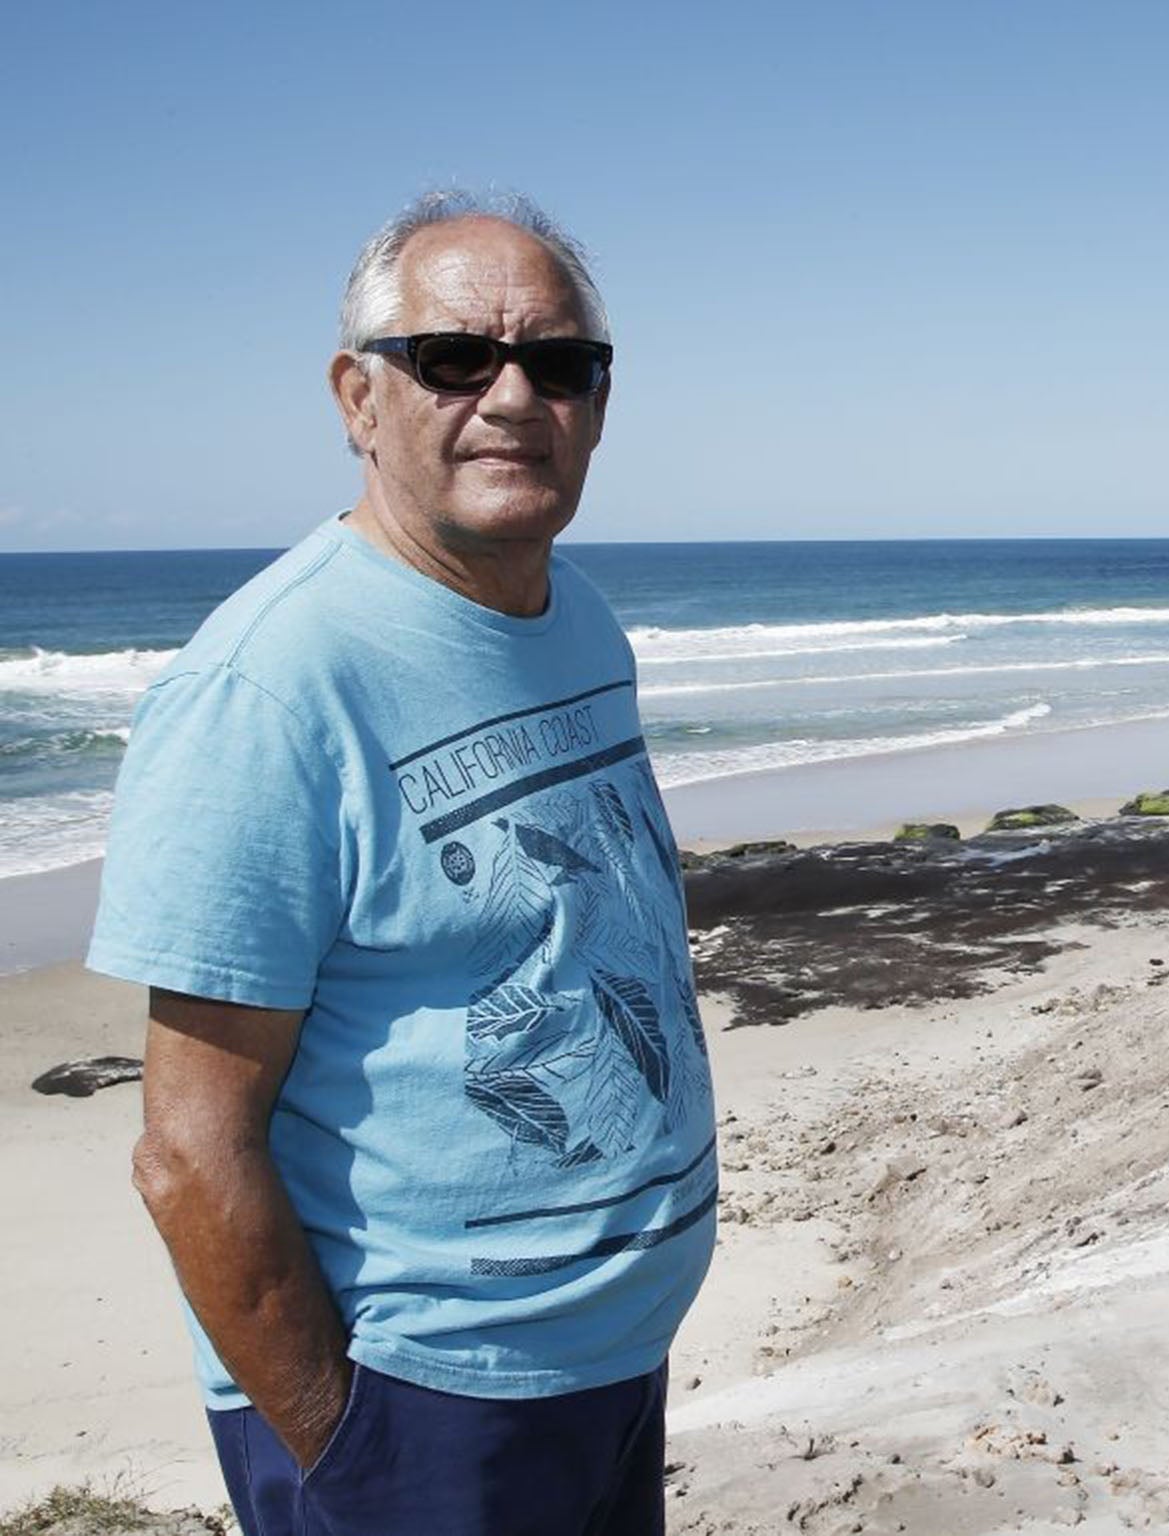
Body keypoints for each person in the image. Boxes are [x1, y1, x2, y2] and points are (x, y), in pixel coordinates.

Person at [87, 190, 717, 1536]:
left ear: (600, 400)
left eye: (560, 362)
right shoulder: (267, 692)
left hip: (608, 1363)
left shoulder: (577, 612)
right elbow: (189, 1155)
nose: (512, 395)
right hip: (419, 1410)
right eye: (453, 358)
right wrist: (351, 1456)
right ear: (357, 398)